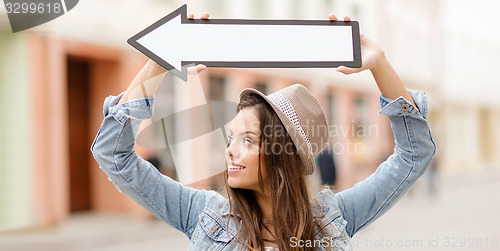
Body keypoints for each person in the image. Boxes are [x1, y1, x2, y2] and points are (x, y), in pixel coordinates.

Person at [91, 13, 436, 251]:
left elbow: (414, 154)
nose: (230, 151)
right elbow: (113, 154)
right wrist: (158, 61)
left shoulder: (333, 220)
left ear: (281, 152)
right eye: (230, 139)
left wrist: (379, 63)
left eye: (247, 140)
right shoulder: (202, 214)